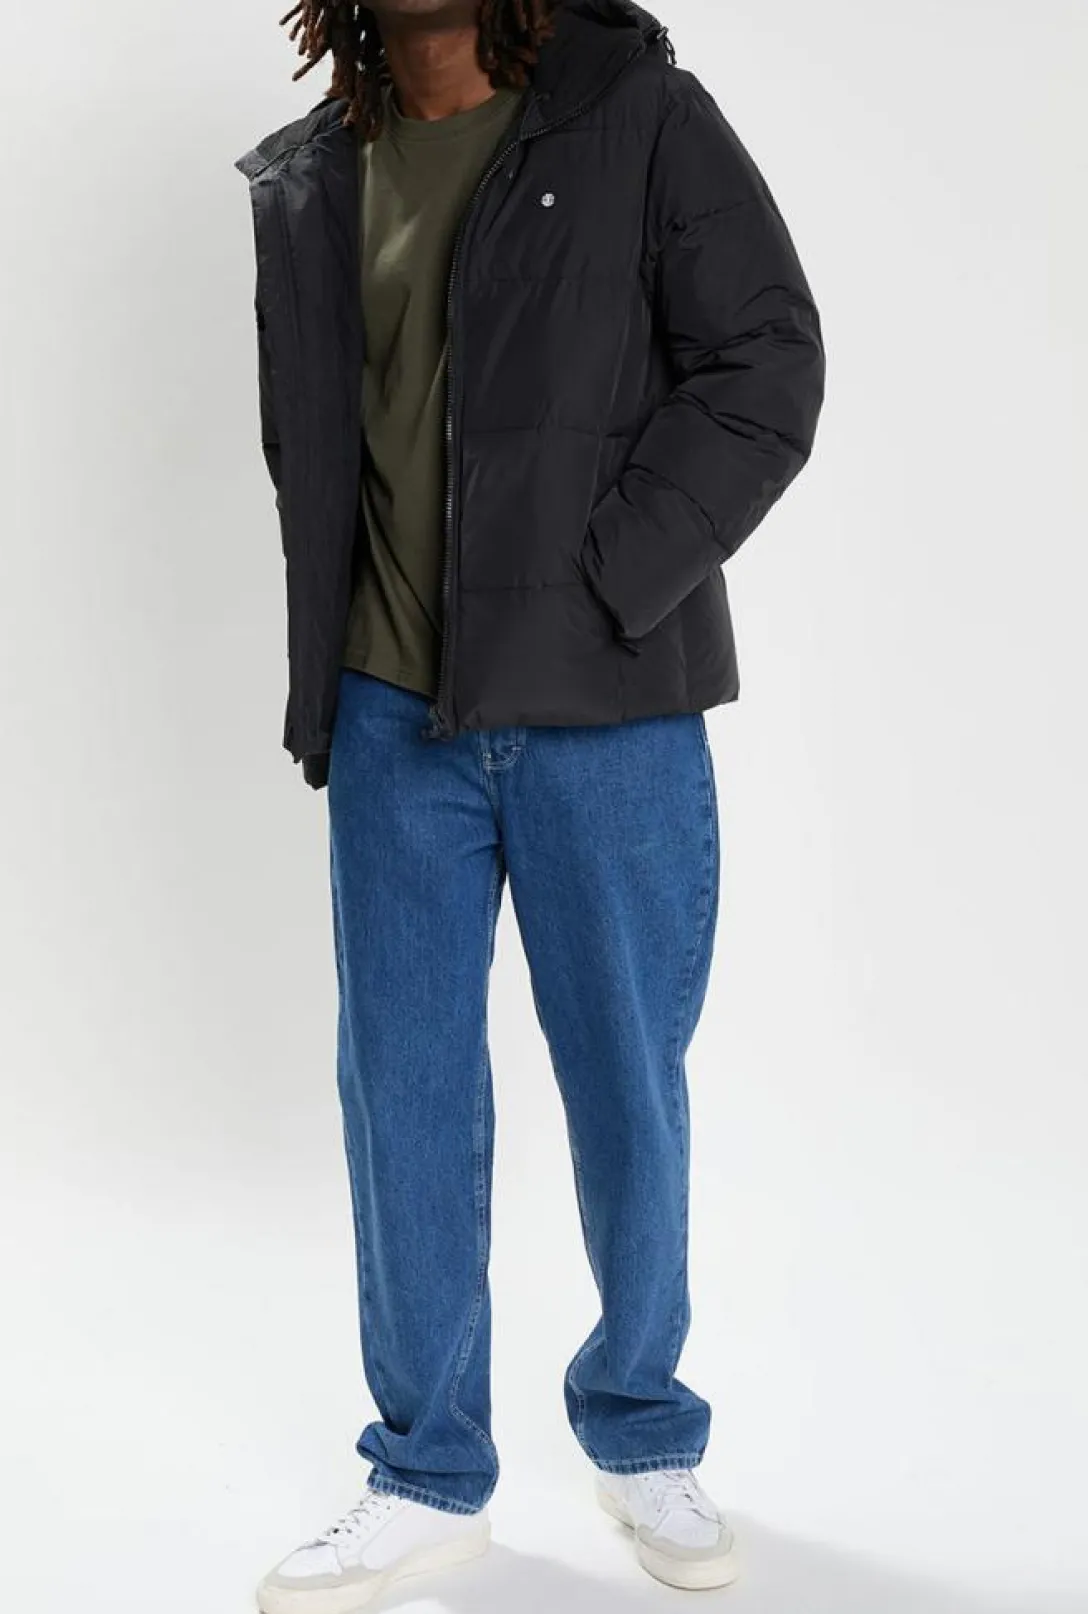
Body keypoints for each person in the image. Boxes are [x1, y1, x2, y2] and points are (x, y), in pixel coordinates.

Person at [236, 0, 825, 1606]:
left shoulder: (635, 116)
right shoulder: (312, 175)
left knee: (627, 1082)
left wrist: (613, 577)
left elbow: (769, 362)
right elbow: (321, 449)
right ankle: (428, 1468)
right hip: (389, 713)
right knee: (403, 1096)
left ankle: (643, 1430)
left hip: (602, 706)